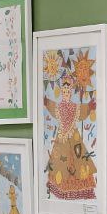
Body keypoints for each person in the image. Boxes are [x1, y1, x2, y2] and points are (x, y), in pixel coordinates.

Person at [43, 71, 98, 200]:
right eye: (64, 91)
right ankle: (61, 189)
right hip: (62, 138)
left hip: (74, 138)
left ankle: (80, 190)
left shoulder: (75, 107)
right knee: (60, 165)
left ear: (71, 92)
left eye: (68, 91)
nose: (66, 93)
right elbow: (51, 106)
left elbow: (82, 111)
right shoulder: (58, 106)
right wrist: (46, 102)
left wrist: (89, 107)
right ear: (62, 92)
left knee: (79, 163)